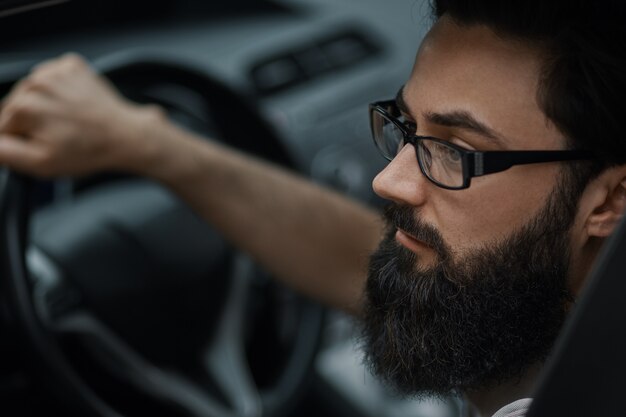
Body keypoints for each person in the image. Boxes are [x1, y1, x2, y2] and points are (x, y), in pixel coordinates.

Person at [1, 0, 625, 416]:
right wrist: (148, 144)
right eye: (406, 126)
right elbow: (388, 264)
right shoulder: (548, 299)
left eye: (456, 151)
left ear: (611, 199)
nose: (390, 180)